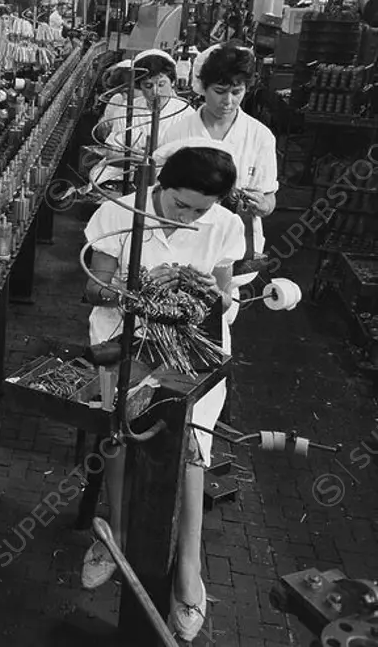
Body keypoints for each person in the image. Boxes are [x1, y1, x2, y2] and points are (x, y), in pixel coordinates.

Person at [81, 144, 245, 642]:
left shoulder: (224, 225)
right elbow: (94, 289)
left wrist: (213, 298)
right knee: (119, 430)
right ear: (160, 186)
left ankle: (188, 569)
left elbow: (226, 299)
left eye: (202, 209)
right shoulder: (117, 212)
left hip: (193, 350)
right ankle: (115, 534)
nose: (191, 217)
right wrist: (139, 288)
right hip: (126, 339)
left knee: (191, 447)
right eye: (180, 206)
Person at [158, 42, 277, 301]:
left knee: (220, 306)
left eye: (237, 91)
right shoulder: (179, 131)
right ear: (202, 87)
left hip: (234, 243)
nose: (228, 101)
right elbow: (162, 189)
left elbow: (270, 200)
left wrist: (262, 205)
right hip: (183, 236)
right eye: (220, 91)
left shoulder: (259, 136)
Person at [89, 50, 195, 190]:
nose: (155, 92)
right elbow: (112, 153)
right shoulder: (127, 110)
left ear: (173, 82)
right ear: (140, 86)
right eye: (148, 86)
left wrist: (137, 155)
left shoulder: (186, 114)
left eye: (161, 84)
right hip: (125, 177)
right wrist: (145, 160)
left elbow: (190, 158)